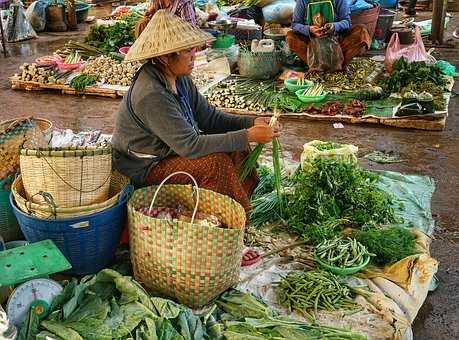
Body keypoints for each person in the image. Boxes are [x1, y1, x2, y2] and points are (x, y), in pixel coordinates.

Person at [112, 10, 280, 212]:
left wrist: (250, 123)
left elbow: (209, 119)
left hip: (170, 152)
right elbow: (191, 146)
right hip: (145, 168)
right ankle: (233, 220)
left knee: (237, 146)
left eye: (193, 48)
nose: (195, 55)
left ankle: (242, 203)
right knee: (215, 164)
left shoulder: (179, 78)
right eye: (187, 51)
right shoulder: (151, 94)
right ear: (165, 57)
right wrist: (247, 135)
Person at [286, 0, 371, 67]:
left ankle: (339, 64)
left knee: (361, 31)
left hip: (337, 42)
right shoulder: (303, 1)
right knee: (291, 37)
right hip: (312, 44)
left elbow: (347, 22)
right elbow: (295, 24)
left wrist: (334, 27)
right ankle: (315, 65)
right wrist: (309, 29)